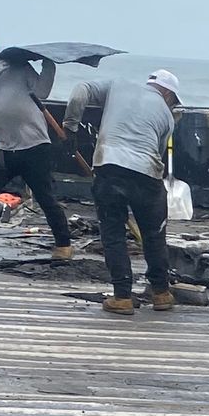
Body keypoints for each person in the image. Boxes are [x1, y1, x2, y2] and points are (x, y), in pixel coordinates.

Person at [62, 66, 185, 315]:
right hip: (147, 175)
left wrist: (70, 128)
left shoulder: (117, 84)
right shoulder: (167, 115)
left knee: (113, 233)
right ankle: (161, 293)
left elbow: (80, 91)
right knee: (154, 236)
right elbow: (158, 154)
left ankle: (122, 297)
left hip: (109, 166)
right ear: (168, 94)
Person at [0, 25, 75, 267]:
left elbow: (41, 92)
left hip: (34, 146)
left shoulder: (18, 66)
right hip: (1, 147)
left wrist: (49, 66)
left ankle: (63, 245)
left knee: (46, 198)